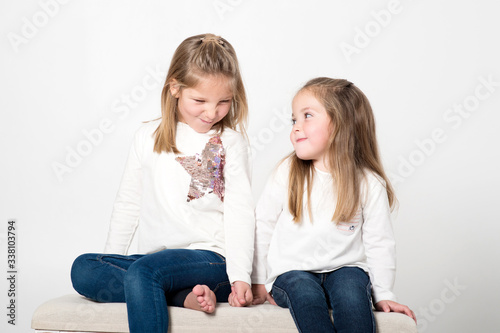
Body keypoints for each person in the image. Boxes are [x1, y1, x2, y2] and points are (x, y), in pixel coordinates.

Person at [71, 33, 254, 333]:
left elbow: (240, 212)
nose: (212, 112)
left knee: (143, 273)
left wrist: (241, 276)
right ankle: (183, 298)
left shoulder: (230, 143)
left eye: (223, 102)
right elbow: (128, 203)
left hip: (209, 259)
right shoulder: (147, 137)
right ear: (175, 88)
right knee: (84, 269)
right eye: (200, 101)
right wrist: (113, 261)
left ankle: (165, 288)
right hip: (154, 264)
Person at [250, 78, 416, 332]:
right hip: (293, 271)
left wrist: (384, 294)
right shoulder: (288, 171)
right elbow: (263, 225)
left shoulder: (368, 183)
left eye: (307, 116)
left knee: (352, 293)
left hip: (345, 269)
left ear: (340, 124)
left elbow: (379, 242)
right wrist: (258, 280)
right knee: (305, 295)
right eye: (294, 119)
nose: (296, 127)